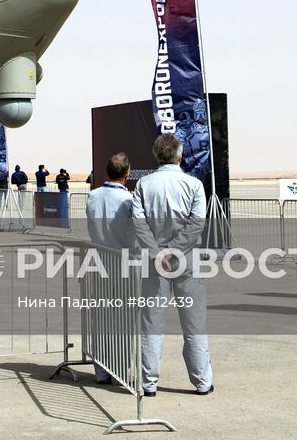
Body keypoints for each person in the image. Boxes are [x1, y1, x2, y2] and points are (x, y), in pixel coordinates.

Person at [132, 134, 214, 398]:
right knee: (194, 324)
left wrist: (159, 252)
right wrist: (175, 250)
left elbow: (139, 223)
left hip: (155, 263)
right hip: (187, 262)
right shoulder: (193, 184)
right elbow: (196, 223)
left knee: (152, 325)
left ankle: (149, 383)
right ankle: (202, 381)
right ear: (180, 156)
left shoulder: (144, 185)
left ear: (157, 156)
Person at [86, 153, 139, 385]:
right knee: (124, 321)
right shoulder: (129, 201)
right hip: (124, 262)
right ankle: (119, 368)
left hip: (99, 261)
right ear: (127, 175)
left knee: (101, 317)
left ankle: (101, 369)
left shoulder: (93, 196)